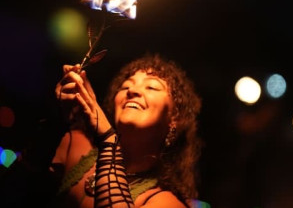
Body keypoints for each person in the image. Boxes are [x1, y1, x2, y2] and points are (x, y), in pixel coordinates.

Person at [49, 53, 204, 208]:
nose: (132, 91)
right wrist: (56, 116)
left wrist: (108, 138)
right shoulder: (75, 145)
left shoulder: (165, 203)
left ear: (174, 118)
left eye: (152, 87)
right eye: (125, 86)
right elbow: (27, 181)